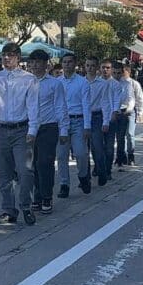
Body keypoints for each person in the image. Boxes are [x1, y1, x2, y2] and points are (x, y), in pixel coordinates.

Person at [0, 43, 40, 225]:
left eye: (10, 55)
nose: (6, 58)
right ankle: (8, 210)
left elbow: (33, 106)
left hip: (21, 130)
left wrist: (33, 129)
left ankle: (26, 206)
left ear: (18, 58)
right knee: (3, 173)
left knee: (25, 170)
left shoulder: (29, 79)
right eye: (4, 54)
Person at [28, 50, 68, 214]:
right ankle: (36, 196)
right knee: (31, 164)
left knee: (44, 162)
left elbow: (60, 107)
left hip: (48, 127)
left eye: (38, 62)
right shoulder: (25, 82)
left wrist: (63, 129)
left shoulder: (54, 84)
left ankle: (46, 196)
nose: (35, 65)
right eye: (32, 62)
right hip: (29, 128)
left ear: (46, 64)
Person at [56, 53, 92, 199]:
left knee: (81, 153)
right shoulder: (57, 82)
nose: (67, 65)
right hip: (61, 122)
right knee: (61, 155)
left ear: (75, 64)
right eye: (64, 62)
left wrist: (87, 125)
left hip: (78, 120)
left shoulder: (82, 82)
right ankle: (64, 184)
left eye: (70, 62)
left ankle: (83, 176)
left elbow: (86, 104)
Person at [85, 56, 115, 186]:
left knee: (97, 147)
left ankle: (102, 171)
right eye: (88, 65)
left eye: (92, 65)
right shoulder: (81, 82)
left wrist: (106, 121)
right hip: (82, 117)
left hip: (97, 116)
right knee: (83, 150)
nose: (90, 68)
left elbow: (106, 102)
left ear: (97, 67)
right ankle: (85, 176)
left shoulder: (103, 83)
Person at [113, 63, 143, 168]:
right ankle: (121, 156)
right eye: (114, 73)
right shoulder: (110, 83)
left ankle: (130, 155)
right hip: (116, 112)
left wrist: (139, 112)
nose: (117, 75)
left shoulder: (131, 84)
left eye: (119, 73)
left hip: (128, 111)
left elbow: (136, 98)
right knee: (120, 136)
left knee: (130, 134)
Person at [100, 59, 123, 180]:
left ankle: (107, 170)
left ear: (111, 70)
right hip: (97, 117)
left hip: (110, 118)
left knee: (109, 147)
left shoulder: (116, 84)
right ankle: (99, 167)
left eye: (108, 68)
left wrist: (115, 112)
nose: (105, 70)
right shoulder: (96, 83)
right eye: (103, 67)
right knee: (97, 146)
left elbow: (117, 100)